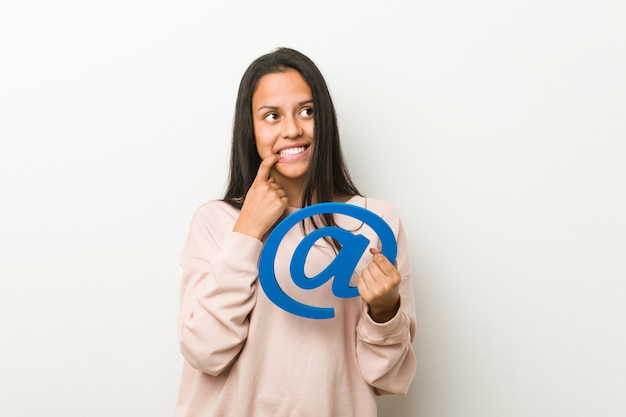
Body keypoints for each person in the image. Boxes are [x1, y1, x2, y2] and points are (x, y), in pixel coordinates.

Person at [175, 47, 416, 417]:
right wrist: (249, 231)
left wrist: (385, 311)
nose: (292, 129)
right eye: (271, 116)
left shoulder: (372, 221)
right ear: (250, 129)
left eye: (307, 111)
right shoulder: (216, 221)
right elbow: (205, 351)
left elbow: (388, 378)